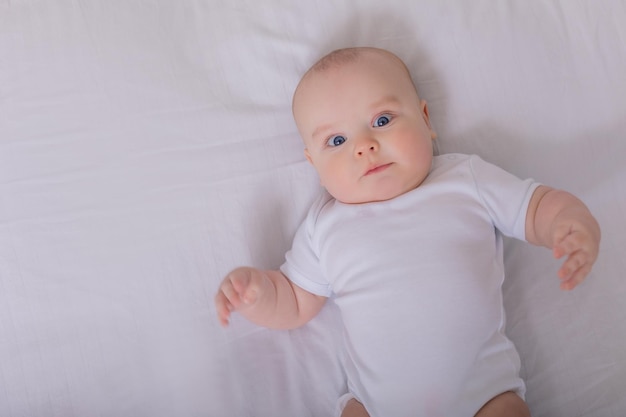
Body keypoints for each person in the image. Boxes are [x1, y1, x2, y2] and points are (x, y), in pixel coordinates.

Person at [214, 47, 601, 417]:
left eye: (382, 120)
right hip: (375, 406)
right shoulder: (324, 225)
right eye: (337, 140)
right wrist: (257, 293)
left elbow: (534, 208)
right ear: (314, 163)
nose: (364, 146)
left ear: (425, 120)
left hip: (483, 396)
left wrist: (567, 220)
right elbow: (296, 300)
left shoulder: (464, 180)